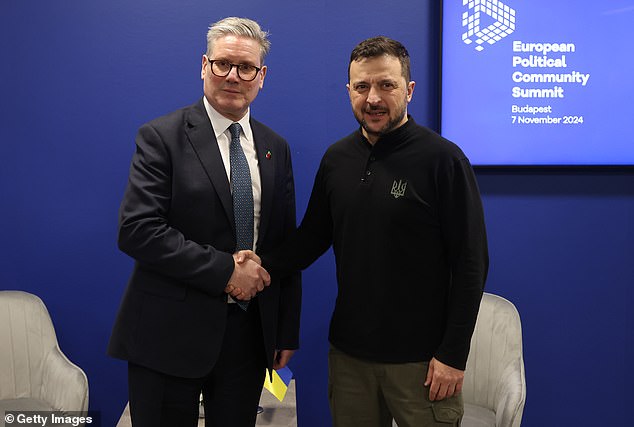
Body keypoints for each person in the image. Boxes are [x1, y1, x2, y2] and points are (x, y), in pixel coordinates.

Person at [243, 36, 488, 427]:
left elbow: (472, 264)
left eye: (386, 85)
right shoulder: (337, 159)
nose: (373, 98)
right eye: (362, 87)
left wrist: (453, 356)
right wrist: (257, 265)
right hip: (350, 357)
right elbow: (311, 239)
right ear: (349, 91)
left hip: (423, 365)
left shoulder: (444, 160)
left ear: (408, 89)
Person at [107, 17, 301, 427]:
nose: (233, 75)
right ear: (203, 65)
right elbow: (138, 230)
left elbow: (285, 244)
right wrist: (226, 270)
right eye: (222, 64)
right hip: (167, 337)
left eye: (245, 67)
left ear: (261, 76)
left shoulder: (275, 148)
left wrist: (284, 330)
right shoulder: (161, 137)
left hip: (248, 340)